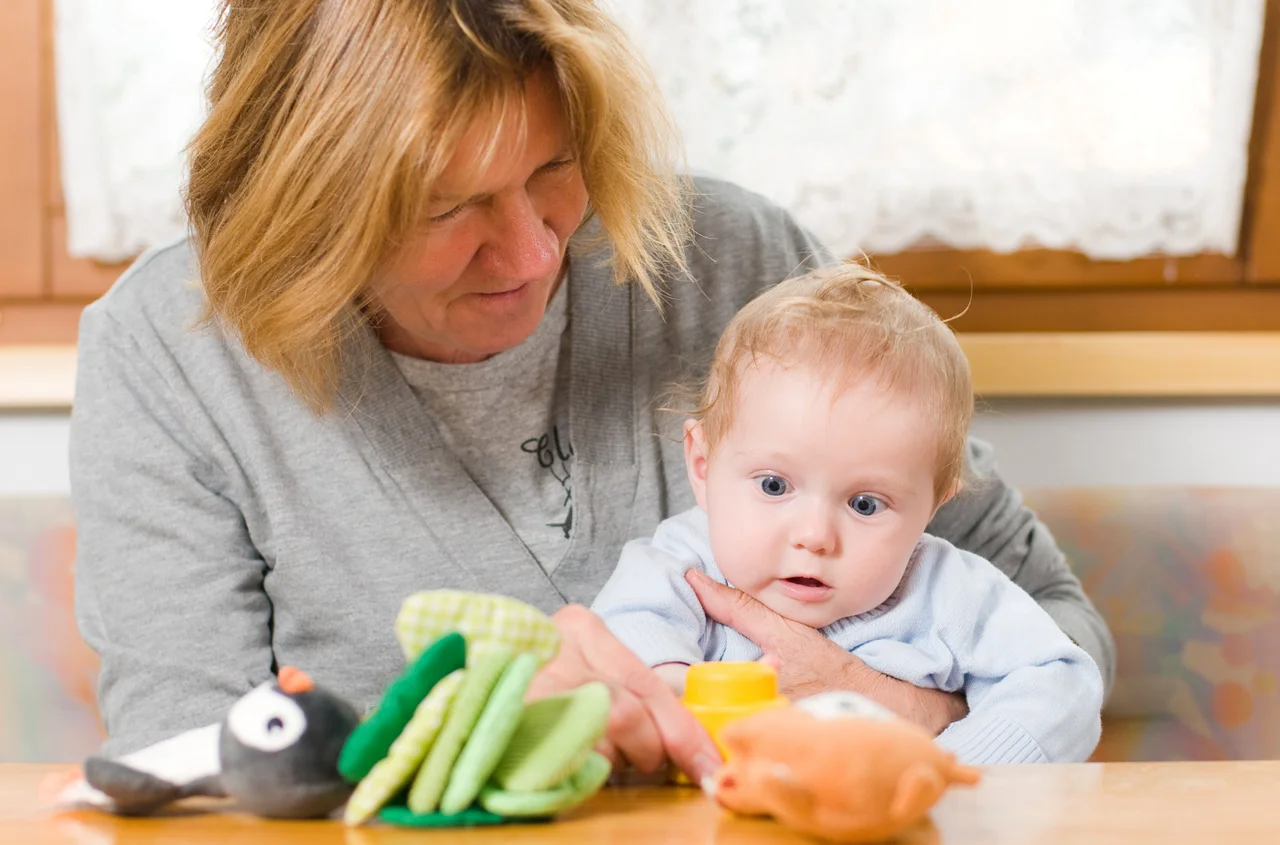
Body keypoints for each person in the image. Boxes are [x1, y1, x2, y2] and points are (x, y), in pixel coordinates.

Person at [70, 0, 1114, 784]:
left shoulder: (735, 261)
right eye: (449, 208)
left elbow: (1060, 630)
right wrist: (477, 736)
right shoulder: (171, 351)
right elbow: (185, 761)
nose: (530, 249)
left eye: (555, 167)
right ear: (309, 209)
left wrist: (880, 713)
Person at [590, 265, 1104, 764]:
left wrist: (953, 769)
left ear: (933, 505)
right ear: (702, 465)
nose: (814, 537)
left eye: (865, 504)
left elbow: (1063, 682)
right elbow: (626, 629)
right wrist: (674, 685)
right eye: (774, 486)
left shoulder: (946, 591)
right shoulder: (682, 562)